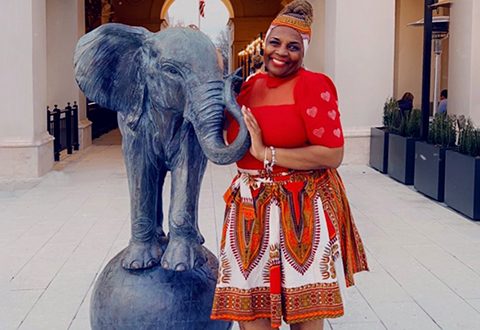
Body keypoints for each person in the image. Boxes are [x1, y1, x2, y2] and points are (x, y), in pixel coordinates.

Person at [210, 1, 369, 329]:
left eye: (293, 46)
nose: (281, 52)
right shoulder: (249, 86)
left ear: (304, 50)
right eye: (275, 43)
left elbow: (332, 154)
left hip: (300, 209)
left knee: (304, 314)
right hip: (249, 210)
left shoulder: (314, 85)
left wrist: (267, 152)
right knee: (250, 313)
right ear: (264, 44)